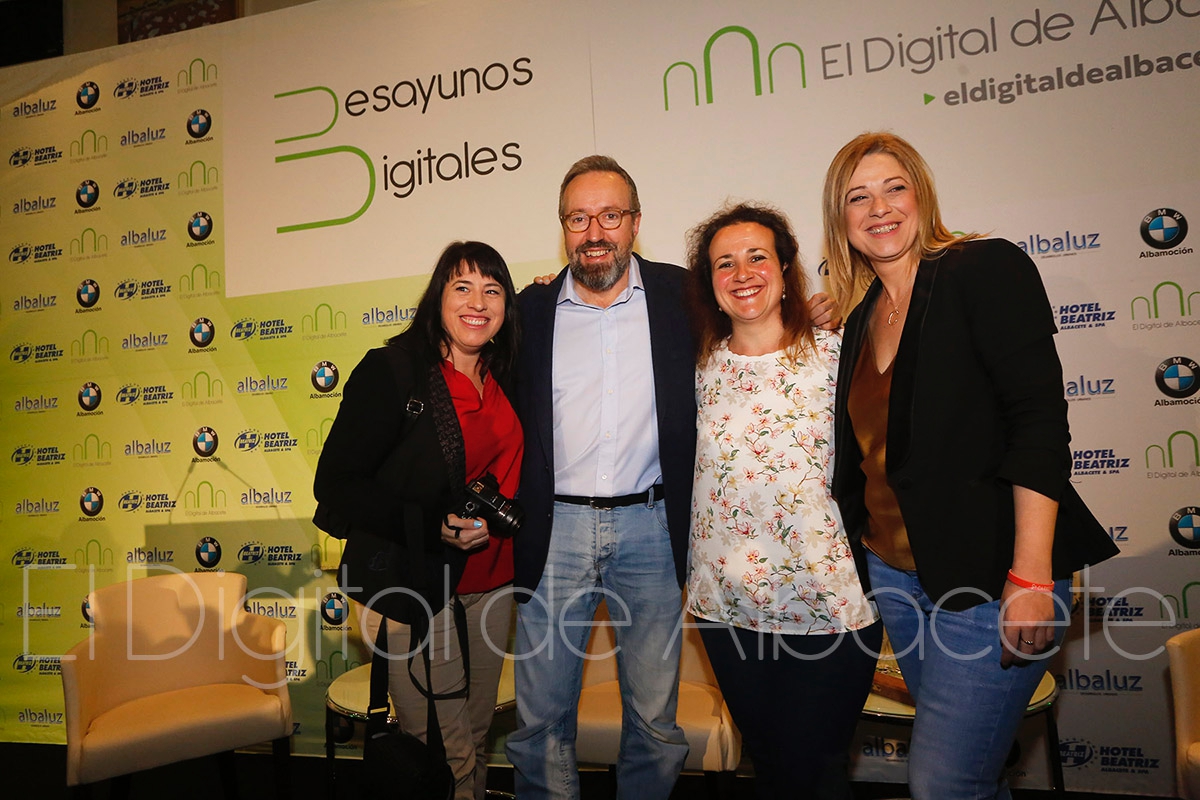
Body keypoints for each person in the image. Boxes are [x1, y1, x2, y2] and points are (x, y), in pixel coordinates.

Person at [822, 132, 1119, 799]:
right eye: (857, 197)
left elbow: (1038, 424)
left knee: (942, 781)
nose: (879, 208)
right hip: (897, 581)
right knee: (971, 775)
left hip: (991, 578)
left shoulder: (982, 268)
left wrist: (1030, 574)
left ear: (922, 194)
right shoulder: (862, 316)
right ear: (840, 219)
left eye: (894, 188)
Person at [685, 202, 882, 799]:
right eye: (724, 263)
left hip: (826, 604)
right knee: (770, 767)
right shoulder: (694, 367)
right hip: (726, 608)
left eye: (757, 257)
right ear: (709, 284)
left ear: (786, 269)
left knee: (815, 771)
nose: (742, 273)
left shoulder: (838, 353)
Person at [313, 241, 523, 800]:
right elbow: (335, 484)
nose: (477, 302)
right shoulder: (394, 372)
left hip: (492, 582)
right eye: (462, 287)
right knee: (442, 749)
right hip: (414, 584)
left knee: (474, 735)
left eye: (492, 290)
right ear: (437, 297)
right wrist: (434, 525)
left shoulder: (506, 375)